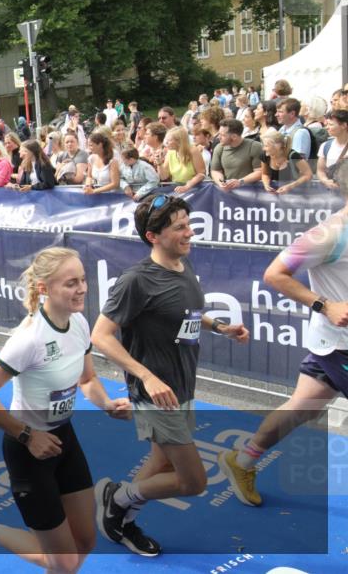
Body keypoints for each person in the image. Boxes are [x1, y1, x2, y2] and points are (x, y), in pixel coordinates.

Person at [0, 248, 131, 570]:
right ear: (45, 288)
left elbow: (87, 378)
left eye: (83, 280)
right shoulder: (29, 339)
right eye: (71, 283)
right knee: (64, 563)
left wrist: (106, 404)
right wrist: (28, 435)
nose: (82, 289)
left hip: (64, 440)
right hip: (28, 451)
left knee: (85, 542)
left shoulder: (78, 322)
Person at [91, 194, 249, 556]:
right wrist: (146, 376)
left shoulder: (183, 265)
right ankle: (118, 498)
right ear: (153, 236)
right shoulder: (136, 281)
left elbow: (188, 313)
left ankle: (120, 520)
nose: (189, 232)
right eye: (179, 227)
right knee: (194, 481)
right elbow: (100, 335)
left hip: (182, 386)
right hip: (156, 394)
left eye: (188, 224)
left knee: (161, 461)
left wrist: (220, 327)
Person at [217, 162, 348, 507]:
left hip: (331, 346)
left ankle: (241, 460)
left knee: (303, 408)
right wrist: (325, 305)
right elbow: (275, 274)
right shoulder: (329, 234)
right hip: (341, 345)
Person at [211, 119, 264, 190]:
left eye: (222, 135)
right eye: (219, 134)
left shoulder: (254, 146)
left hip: (251, 192)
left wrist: (240, 182)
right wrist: (221, 182)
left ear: (234, 137)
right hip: (229, 193)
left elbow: (260, 171)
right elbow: (215, 170)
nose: (218, 137)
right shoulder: (219, 148)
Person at [259, 129, 312, 195]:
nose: (263, 148)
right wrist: (266, 185)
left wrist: (290, 186)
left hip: (296, 194)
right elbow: (265, 174)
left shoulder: (293, 156)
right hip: (275, 195)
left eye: (266, 146)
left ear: (277, 146)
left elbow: (308, 174)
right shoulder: (265, 156)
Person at [159, 128, 205, 194]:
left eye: (169, 140)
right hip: (177, 188)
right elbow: (164, 177)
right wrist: (159, 163)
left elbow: (201, 174)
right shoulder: (170, 152)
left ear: (179, 141)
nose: (166, 143)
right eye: (166, 140)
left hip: (195, 188)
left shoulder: (193, 151)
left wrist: (187, 186)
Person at [317, 109, 348, 190]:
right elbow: (320, 170)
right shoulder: (325, 146)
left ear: (344, 125)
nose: (327, 128)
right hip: (332, 195)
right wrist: (325, 180)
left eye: (331, 124)